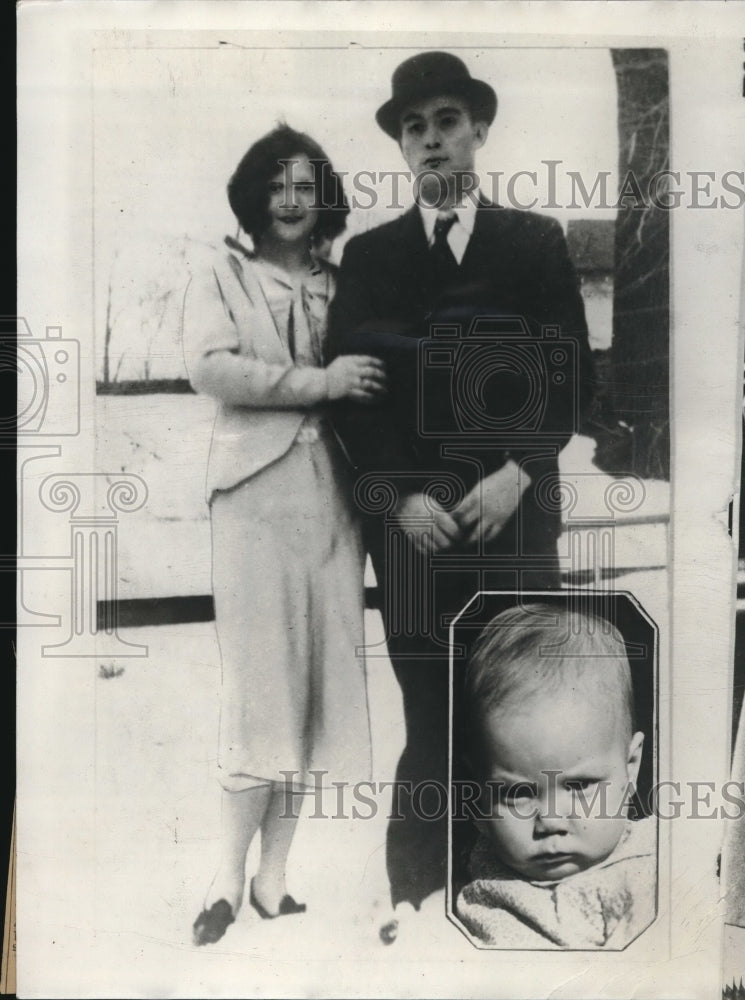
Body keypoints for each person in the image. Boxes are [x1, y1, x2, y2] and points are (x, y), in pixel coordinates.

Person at [327, 51, 594, 937]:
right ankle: (418, 905)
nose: (431, 140)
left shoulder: (534, 241)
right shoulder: (368, 257)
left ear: (478, 129)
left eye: (446, 121)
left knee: (518, 707)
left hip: (516, 519)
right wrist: (400, 498)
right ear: (401, 146)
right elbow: (353, 395)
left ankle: (526, 899)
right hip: (413, 537)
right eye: (414, 127)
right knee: (430, 710)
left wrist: (517, 468)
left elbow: (569, 378)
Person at [182, 124, 387, 945]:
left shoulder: (346, 283)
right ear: (254, 195)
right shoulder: (222, 274)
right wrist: (319, 382)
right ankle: (222, 880)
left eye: (306, 186)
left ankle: (274, 881)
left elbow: (376, 371)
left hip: (333, 500)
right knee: (258, 691)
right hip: (253, 503)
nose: (293, 201)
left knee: (310, 694)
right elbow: (210, 366)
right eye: (278, 186)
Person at [454, 603, 656, 949]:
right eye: (518, 793)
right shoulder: (475, 877)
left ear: (631, 766)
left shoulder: (652, 875)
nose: (549, 821)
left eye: (579, 785)